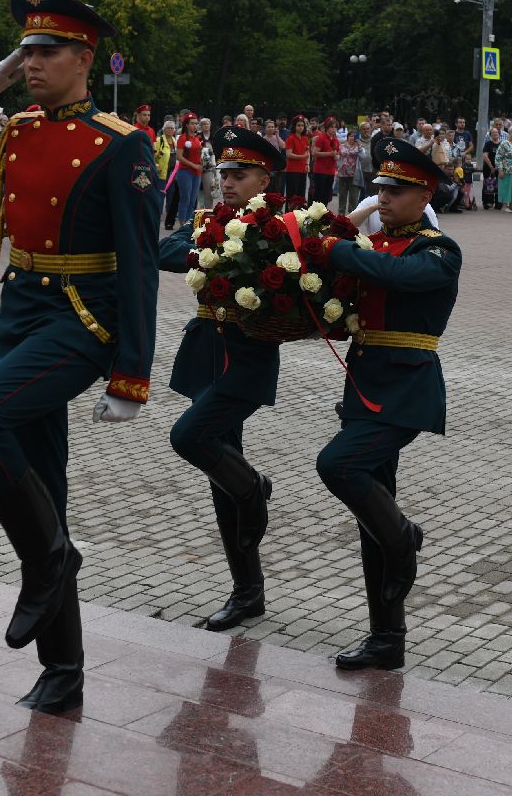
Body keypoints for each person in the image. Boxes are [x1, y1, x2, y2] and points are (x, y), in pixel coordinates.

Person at [0, 0, 160, 715]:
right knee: (45, 491)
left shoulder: (122, 145)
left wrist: (131, 374)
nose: (33, 62)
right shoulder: (15, 131)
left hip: (83, 318)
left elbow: (141, 266)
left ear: (85, 58)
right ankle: (63, 671)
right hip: (22, 311)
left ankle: (49, 560)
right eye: (26, 51)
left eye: (46, 50)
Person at [310, 134, 461, 670]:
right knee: (371, 515)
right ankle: (387, 638)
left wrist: (339, 243)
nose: (384, 198)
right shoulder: (376, 245)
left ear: (424, 196)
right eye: (381, 189)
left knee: (337, 464)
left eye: (396, 190)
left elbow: (398, 277)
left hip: (406, 388)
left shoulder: (438, 250)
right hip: (365, 382)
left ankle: (404, 537)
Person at [158, 124, 286, 633]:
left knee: (191, 437)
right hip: (205, 350)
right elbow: (164, 251)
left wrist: (220, 253)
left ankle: (256, 487)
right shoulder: (209, 220)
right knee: (219, 475)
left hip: (246, 354)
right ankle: (247, 592)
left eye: (239, 174)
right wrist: (210, 250)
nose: (226, 181)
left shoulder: (280, 225)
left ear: (263, 177)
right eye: (223, 172)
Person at [170, 113, 204, 228]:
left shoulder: (197, 138)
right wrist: (194, 166)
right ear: (187, 125)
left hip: (197, 173)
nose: (195, 126)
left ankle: (189, 223)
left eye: (196, 123)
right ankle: (182, 224)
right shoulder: (182, 138)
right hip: (185, 172)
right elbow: (179, 157)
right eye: (192, 124)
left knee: (193, 200)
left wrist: (202, 163)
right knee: (185, 198)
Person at [495, 126, 512, 212]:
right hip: (505, 169)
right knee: (505, 188)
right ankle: (504, 206)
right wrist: (500, 170)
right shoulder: (504, 144)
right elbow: (498, 157)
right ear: (509, 134)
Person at [282, 116, 309, 202]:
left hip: (302, 169)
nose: (301, 127)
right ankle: (289, 213)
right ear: (294, 126)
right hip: (292, 170)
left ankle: (299, 214)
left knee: (301, 194)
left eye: (302, 125)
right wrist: (302, 157)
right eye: (298, 125)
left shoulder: (305, 138)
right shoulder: (290, 138)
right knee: (292, 194)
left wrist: (307, 164)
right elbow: (288, 154)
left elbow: (307, 154)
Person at [335, 127, 362, 214]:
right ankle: (341, 215)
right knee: (342, 196)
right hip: (342, 175)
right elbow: (337, 157)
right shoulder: (341, 146)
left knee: (353, 198)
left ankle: (352, 216)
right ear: (347, 137)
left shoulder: (359, 147)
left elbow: (363, 157)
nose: (352, 138)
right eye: (350, 136)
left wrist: (360, 146)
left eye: (354, 136)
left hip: (354, 176)